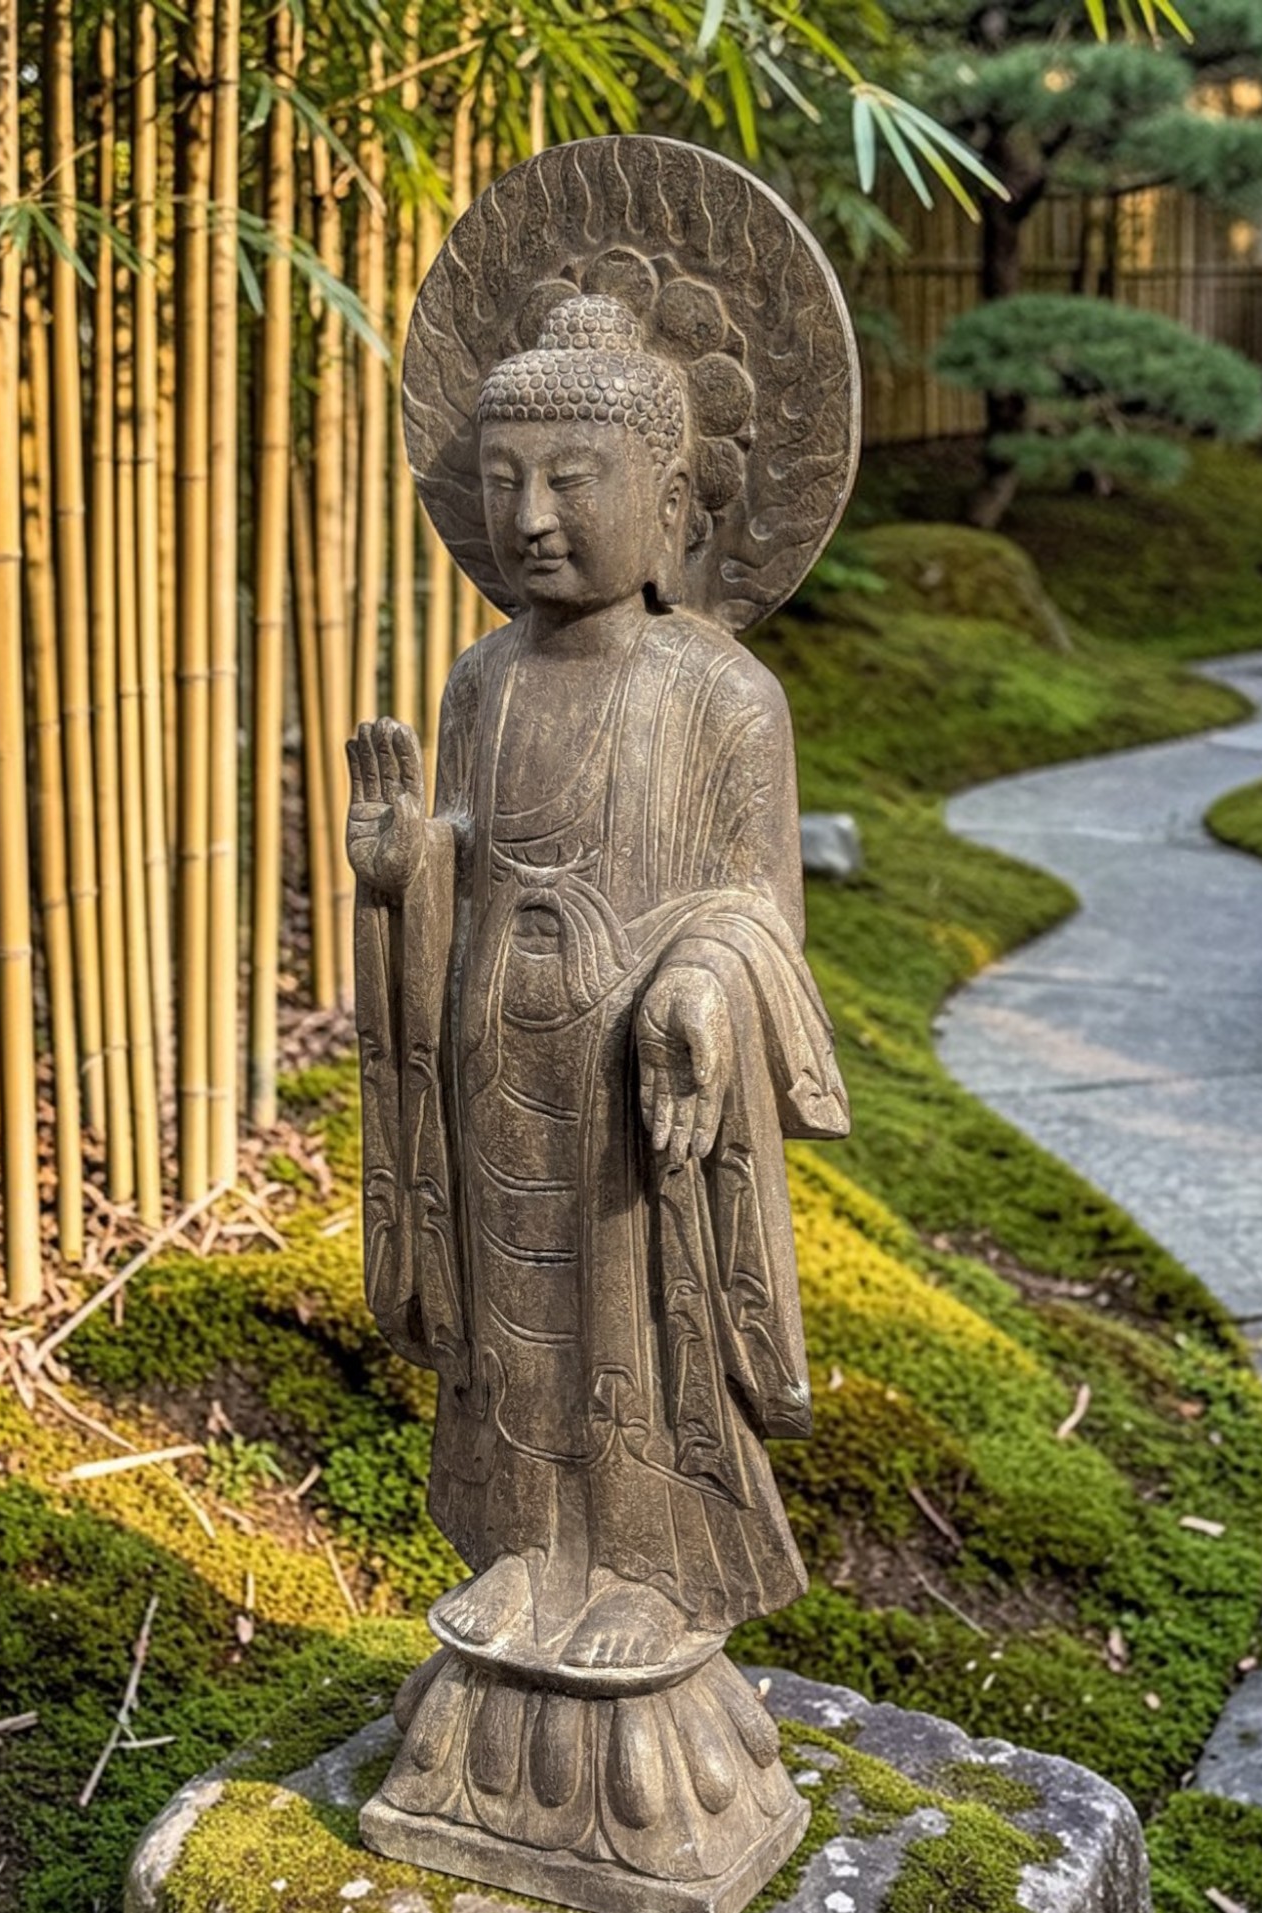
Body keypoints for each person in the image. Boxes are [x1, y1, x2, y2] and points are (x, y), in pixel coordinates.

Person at [346, 290, 847, 1677]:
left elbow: (759, 904)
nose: (532, 518)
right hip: (499, 1055)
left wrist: (700, 982)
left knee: (628, 1320)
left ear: (674, 493)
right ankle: (529, 1545)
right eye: (502, 484)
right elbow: (459, 849)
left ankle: (644, 1557)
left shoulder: (722, 694)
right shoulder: (481, 680)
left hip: (632, 1075)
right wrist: (406, 872)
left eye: (574, 479)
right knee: (511, 1323)